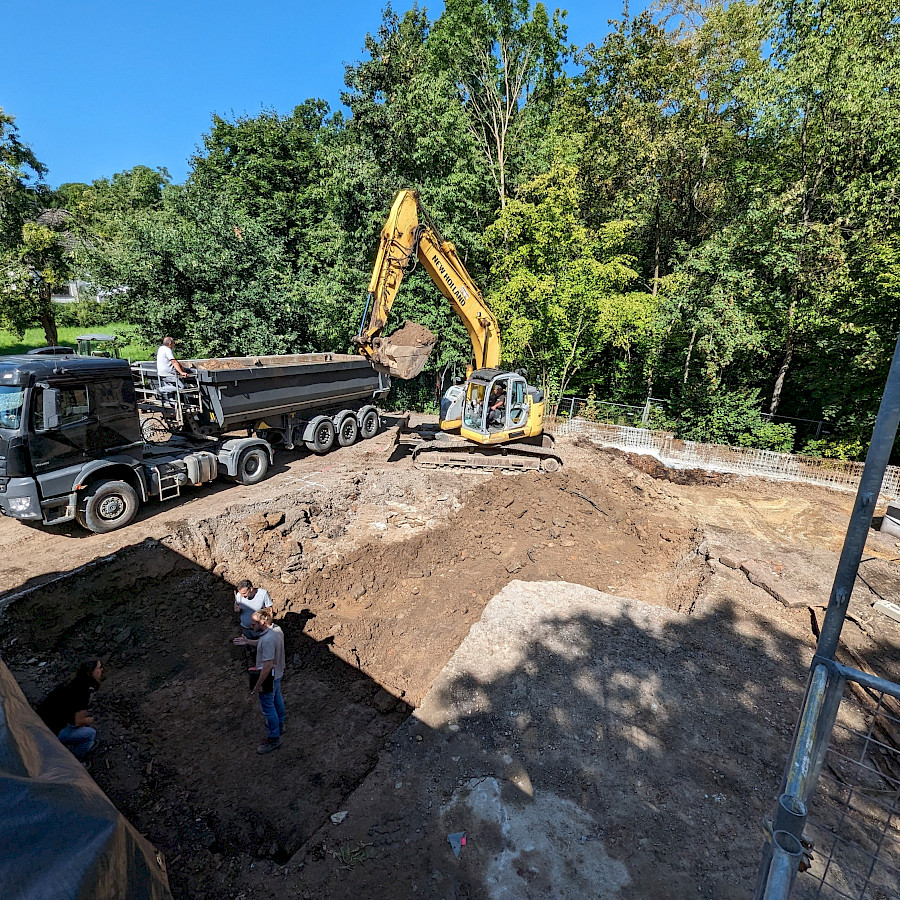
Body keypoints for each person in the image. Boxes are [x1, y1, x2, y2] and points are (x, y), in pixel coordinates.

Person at [233, 608, 286, 754]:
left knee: (268, 709)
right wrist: (248, 641)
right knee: (277, 699)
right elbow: (264, 643)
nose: (251, 625)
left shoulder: (268, 639)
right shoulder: (276, 629)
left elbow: (267, 665)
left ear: (262, 622)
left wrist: (257, 686)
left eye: (254, 623)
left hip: (269, 677)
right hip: (278, 673)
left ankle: (274, 738)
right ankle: (280, 725)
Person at [35, 659, 104, 761]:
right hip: (52, 731)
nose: (102, 669)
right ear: (91, 671)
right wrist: (89, 720)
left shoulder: (72, 683)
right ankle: (75, 762)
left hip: (40, 724)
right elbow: (79, 721)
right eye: (99, 668)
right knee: (90, 734)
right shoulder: (83, 692)